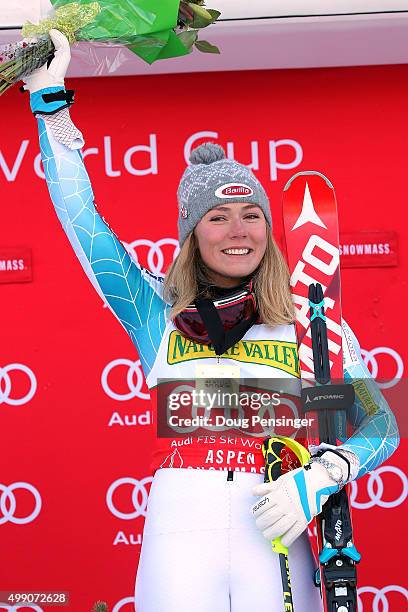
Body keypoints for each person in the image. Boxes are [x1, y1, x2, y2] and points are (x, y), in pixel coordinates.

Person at [23, 30, 399, 612]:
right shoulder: (157, 313)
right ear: (191, 235)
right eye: (218, 217)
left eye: (252, 214)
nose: (239, 230)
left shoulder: (310, 316)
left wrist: (322, 474)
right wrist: (49, 99)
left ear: (270, 232)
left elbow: (382, 425)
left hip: (278, 531)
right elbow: (81, 219)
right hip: (180, 540)